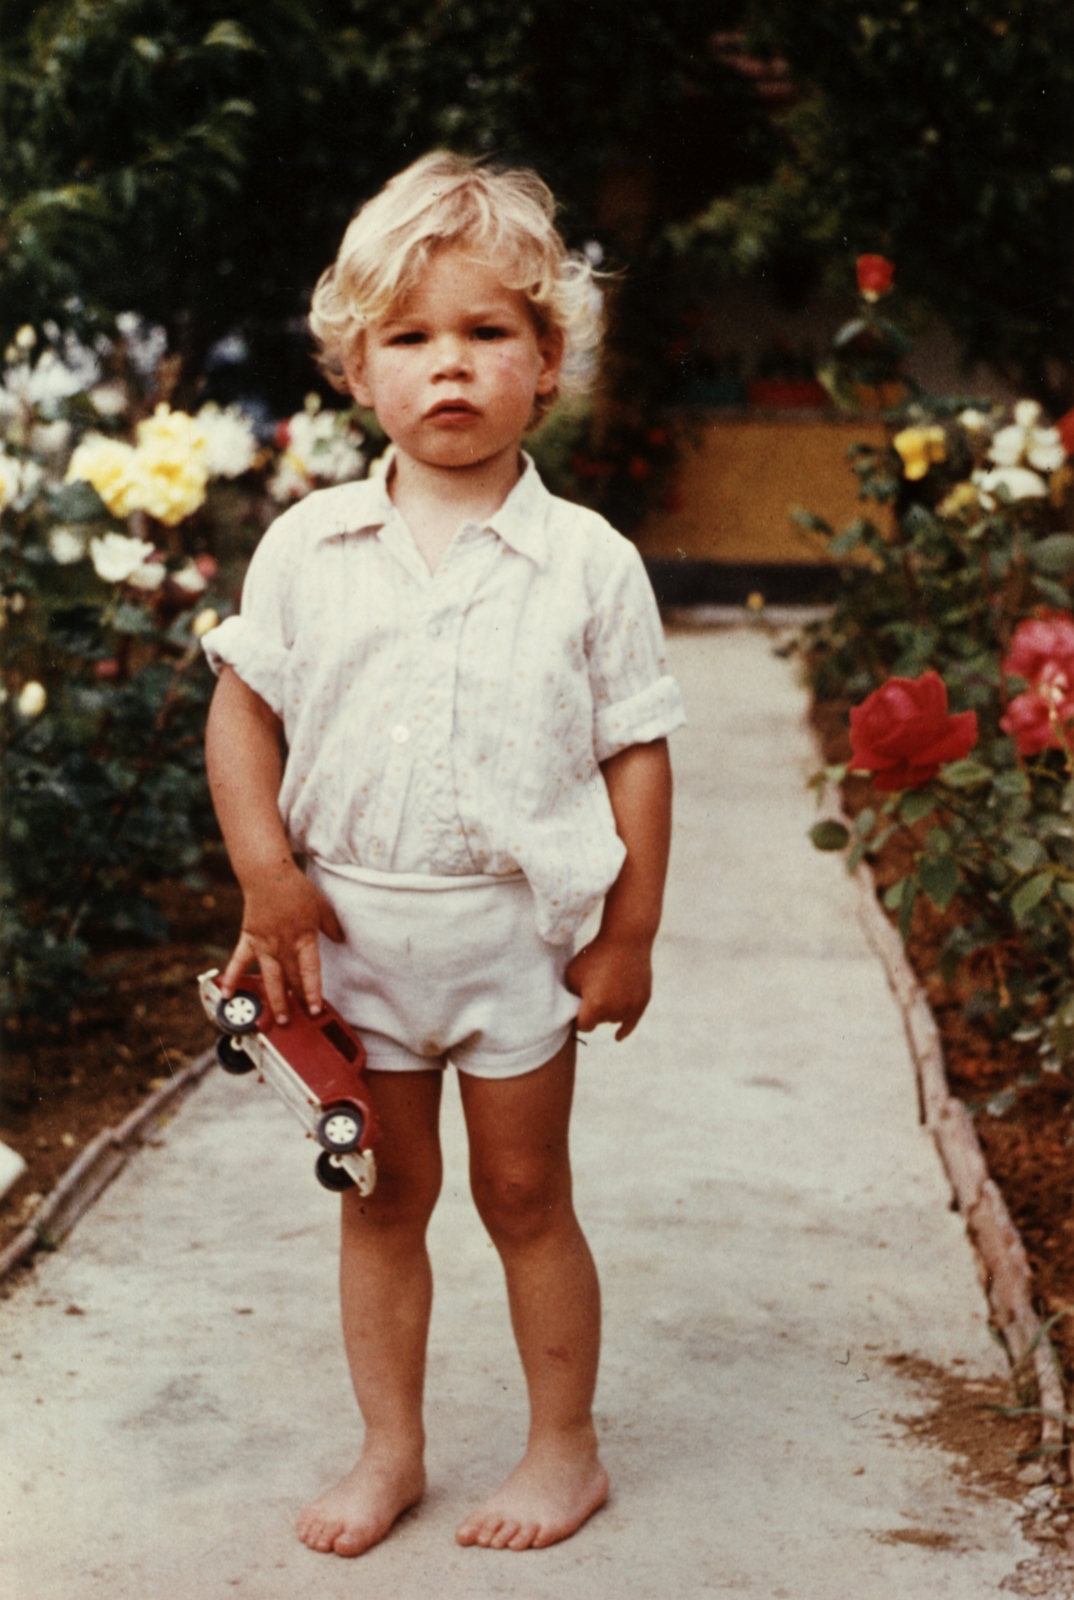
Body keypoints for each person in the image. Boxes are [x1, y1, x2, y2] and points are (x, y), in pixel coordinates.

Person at [201, 150, 685, 1559]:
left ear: (548, 362)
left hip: (513, 940)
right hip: (350, 939)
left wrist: (631, 932)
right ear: (358, 369)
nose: (449, 369)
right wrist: (265, 874)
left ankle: (562, 1450)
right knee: (383, 1198)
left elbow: (636, 753)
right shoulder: (311, 544)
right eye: (410, 338)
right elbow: (245, 712)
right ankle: (390, 1450)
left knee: (525, 1197)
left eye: (488, 334)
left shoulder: (588, 561)